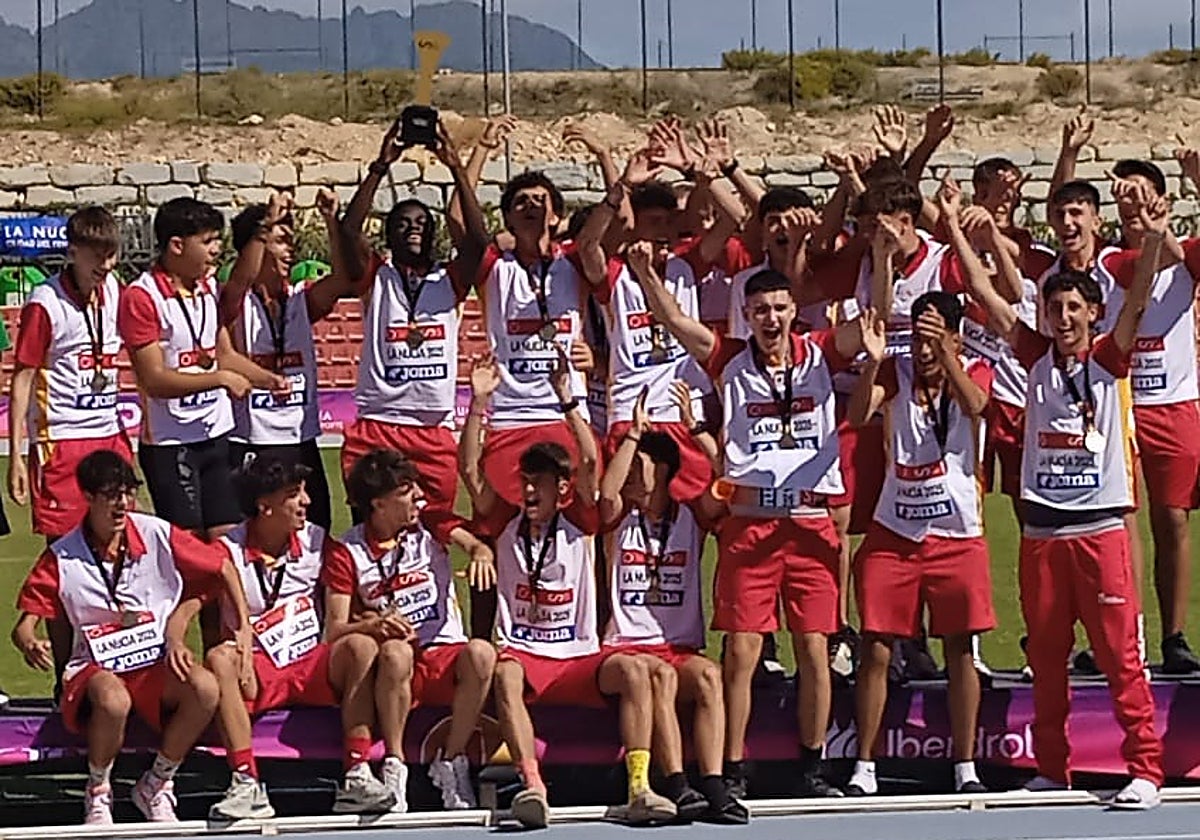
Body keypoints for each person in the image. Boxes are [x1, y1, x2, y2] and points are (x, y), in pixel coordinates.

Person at [945, 177, 1165, 808]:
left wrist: (1149, 243)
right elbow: (986, 293)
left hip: (1100, 532)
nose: (1064, 319)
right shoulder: (1035, 355)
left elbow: (1137, 305)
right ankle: (1053, 767)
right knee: (1046, 660)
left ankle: (1145, 768)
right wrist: (958, 228)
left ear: (1091, 313)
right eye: (1055, 309)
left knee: (1120, 657)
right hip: (1043, 535)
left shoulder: (1109, 357)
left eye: (1074, 309)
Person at [636, 256, 869, 799]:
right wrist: (648, 275)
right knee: (741, 651)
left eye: (780, 308)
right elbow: (674, 323)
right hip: (751, 521)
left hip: (809, 521)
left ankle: (813, 765)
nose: (771, 319)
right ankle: (733, 765)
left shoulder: (820, 354)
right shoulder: (730, 360)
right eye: (760, 310)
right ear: (745, 315)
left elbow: (872, 320)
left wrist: (878, 260)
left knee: (815, 649)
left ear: (795, 312)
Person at [460, 347, 677, 828]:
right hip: (528, 655)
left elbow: (590, 461)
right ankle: (532, 786)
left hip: (579, 657)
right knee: (505, 674)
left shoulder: (579, 519)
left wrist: (569, 400)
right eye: (525, 483)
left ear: (561, 488)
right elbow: (471, 471)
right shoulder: (506, 521)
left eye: (539, 483)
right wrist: (479, 405)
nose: (529, 492)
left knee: (636, 670)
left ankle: (639, 786)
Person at [11, 451, 252, 824]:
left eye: (127, 493)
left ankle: (156, 782)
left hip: (153, 660)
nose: (122, 504)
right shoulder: (64, 554)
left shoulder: (156, 532)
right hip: (94, 666)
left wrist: (239, 631)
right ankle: (98, 791)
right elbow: (26, 622)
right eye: (111, 495)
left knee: (204, 687)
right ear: (89, 498)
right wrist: (30, 640)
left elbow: (221, 567)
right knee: (113, 698)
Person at [844, 291, 995, 796]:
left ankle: (966, 764)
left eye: (933, 337)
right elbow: (860, 413)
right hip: (896, 530)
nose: (923, 350)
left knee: (960, 649)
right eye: (918, 338)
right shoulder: (897, 370)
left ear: (954, 335)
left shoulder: (972, 368)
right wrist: (872, 361)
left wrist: (946, 355)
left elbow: (976, 405)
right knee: (877, 649)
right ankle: (864, 765)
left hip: (957, 533)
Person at [202, 455, 395, 820]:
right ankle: (245, 782)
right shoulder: (227, 549)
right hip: (257, 667)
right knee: (217, 658)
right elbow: (186, 597)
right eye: (293, 494)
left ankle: (357, 773)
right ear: (264, 505)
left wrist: (374, 619)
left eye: (304, 492)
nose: (306, 501)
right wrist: (183, 639)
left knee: (361, 646)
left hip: (311, 663)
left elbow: (348, 594)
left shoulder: (318, 541)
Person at [597, 387, 748, 823]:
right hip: (624, 648)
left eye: (639, 464)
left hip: (678, 647)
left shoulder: (689, 516)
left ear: (661, 470)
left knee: (709, 677)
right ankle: (677, 783)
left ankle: (715, 783)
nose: (628, 474)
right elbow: (606, 493)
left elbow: (728, 480)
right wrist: (632, 436)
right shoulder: (618, 518)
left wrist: (699, 433)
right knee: (658, 675)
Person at [323, 448, 498, 811]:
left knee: (482, 652)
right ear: (378, 504)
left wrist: (480, 553)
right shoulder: (347, 550)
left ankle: (450, 761)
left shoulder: (430, 523)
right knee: (395, 651)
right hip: (396, 664)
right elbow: (334, 629)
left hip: (443, 650)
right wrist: (373, 624)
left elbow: (471, 542)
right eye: (405, 490)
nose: (418, 495)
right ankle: (395, 763)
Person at [337, 120, 489, 514]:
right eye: (401, 224)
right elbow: (349, 230)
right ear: (388, 235)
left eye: (422, 223)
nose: (412, 230)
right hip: (378, 422)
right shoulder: (376, 276)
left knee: (434, 530)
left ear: (434, 232)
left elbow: (478, 241)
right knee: (371, 531)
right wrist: (380, 165)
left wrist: (456, 166)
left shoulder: (450, 278)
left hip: (431, 427)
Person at [117, 197, 290, 540]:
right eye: (207, 241)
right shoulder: (142, 296)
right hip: (171, 444)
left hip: (216, 436)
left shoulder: (207, 287)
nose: (216, 249)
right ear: (177, 245)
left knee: (229, 543)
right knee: (190, 551)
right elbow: (154, 380)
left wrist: (267, 380)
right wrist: (221, 380)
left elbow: (222, 354)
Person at [1098, 156, 1200, 674]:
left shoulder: (1184, 258)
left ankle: (1174, 636)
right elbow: (1139, 268)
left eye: (1141, 191)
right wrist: (1158, 235)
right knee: (1120, 522)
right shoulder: (1110, 259)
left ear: (1160, 196)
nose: (1131, 200)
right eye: (1123, 194)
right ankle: (1122, 636)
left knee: (1173, 520)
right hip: (1121, 404)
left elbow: (1179, 258)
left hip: (1176, 404)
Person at [219, 189, 354, 532]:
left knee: (317, 535)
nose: (290, 249)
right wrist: (265, 221)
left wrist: (331, 222)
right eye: (280, 241)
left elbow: (342, 278)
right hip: (253, 445)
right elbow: (240, 279)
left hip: (301, 440)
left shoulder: (299, 300)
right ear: (259, 244)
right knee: (254, 544)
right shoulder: (236, 301)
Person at [8, 206, 132, 542]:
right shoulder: (46, 303)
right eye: (97, 257)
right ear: (73, 251)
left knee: (118, 540)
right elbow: (22, 378)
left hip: (110, 434)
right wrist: (17, 455)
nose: (106, 266)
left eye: (111, 256)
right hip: (61, 440)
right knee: (65, 546)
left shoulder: (114, 290)